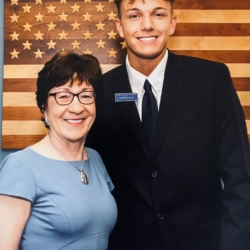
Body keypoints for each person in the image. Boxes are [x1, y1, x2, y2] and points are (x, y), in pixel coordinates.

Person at [86, 0, 250, 249]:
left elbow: (240, 176)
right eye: (134, 15)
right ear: (119, 27)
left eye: (158, 14)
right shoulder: (100, 91)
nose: (147, 25)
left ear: (172, 23)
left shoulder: (211, 79)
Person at [0, 51, 117, 250]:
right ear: (44, 106)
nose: (77, 107)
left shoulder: (95, 159)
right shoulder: (21, 166)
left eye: (86, 96)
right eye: (63, 96)